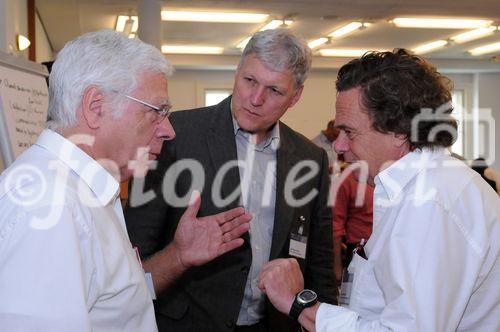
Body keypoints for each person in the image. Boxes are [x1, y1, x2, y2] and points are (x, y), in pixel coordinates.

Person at [0, 30, 251, 331]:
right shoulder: (48, 204)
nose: (169, 130)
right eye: (157, 111)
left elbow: (113, 303)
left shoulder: (83, 189)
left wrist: (178, 257)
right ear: (96, 107)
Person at [259, 49, 500, 331]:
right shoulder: (416, 190)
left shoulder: (431, 203)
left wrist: (300, 306)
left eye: (350, 132)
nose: (338, 146)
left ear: (399, 131)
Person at [125, 28, 337, 331]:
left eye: (274, 90)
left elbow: (319, 264)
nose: (256, 98)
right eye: (249, 81)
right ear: (237, 72)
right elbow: (135, 252)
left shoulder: (310, 158)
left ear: (296, 96)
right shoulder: (174, 137)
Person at [331, 167, 374, 287]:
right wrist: (337, 267)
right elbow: (335, 226)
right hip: (359, 251)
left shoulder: (388, 173)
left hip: (386, 248)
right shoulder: (346, 179)